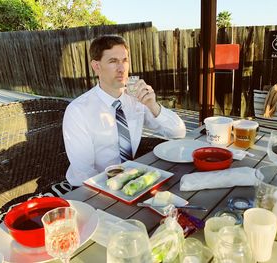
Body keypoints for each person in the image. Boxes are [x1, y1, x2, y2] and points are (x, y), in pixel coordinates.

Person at [62, 34, 186, 186]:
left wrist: (153, 105)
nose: (122, 69)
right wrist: (120, 189)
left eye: (125, 60)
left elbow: (178, 132)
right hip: (91, 186)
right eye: (113, 61)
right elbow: (84, 172)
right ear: (96, 66)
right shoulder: (78, 111)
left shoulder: (136, 98)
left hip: (130, 178)